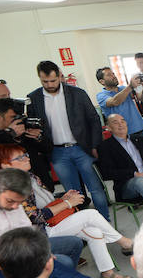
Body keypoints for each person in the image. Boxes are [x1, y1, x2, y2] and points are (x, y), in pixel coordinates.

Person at [0, 144, 134, 278]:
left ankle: (107, 274)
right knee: (90, 215)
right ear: (5, 165)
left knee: (93, 230)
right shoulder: (10, 188)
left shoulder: (29, 176)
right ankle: (125, 242)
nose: (27, 158)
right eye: (20, 158)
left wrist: (62, 199)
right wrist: (67, 204)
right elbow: (34, 217)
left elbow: (43, 203)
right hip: (37, 235)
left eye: (25, 154)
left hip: (50, 224)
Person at [26, 60, 109, 220]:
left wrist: (94, 145)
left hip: (82, 148)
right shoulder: (34, 98)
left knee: (96, 189)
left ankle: (105, 221)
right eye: (45, 81)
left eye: (53, 80)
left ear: (60, 76)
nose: (50, 84)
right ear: (39, 78)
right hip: (57, 152)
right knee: (72, 193)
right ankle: (85, 224)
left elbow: (94, 119)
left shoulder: (77, 93)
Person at [95, 67, 143, 136]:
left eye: (113, 73)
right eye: (109, 75)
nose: (113, 76)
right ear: (102, 81)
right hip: (123, 134)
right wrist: (130, 86)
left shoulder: (123, 88)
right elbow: (115, 101)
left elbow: (140, 98)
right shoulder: (101, 96)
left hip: (139, 128)